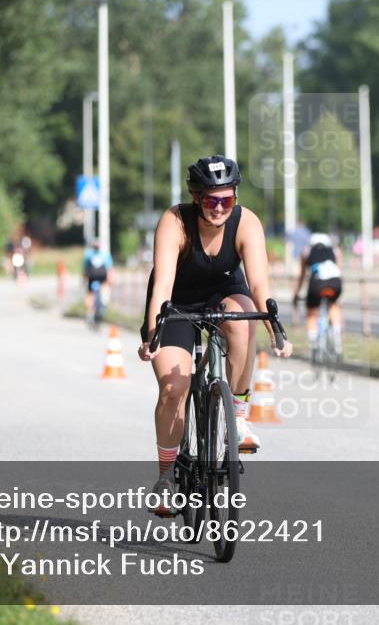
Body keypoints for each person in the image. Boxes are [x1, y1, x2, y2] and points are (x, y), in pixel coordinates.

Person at [137, 155, 292, 514]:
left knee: (242, 319)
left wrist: (275, 330)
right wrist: (153, 335)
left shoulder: (246, 222)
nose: (220, 207)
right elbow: (162, 284)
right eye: (211, 200)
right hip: (176, 302)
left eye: (228, 199)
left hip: (224, 293)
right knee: (174, 388)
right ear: (196, 197)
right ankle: (166, 478)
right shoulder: (175, 222)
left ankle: (237, 416)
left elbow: (259, 284)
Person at [292, 232, 344, 362]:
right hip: (335, 282)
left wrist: (296, 293)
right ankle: (338, 343)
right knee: (334, 306)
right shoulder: (336, 250)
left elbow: (302, 275)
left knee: (312, 313)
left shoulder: (306, 251)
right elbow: (339, 270)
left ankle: (313, 345)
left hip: (317, 282)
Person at [82, 240, 113, 322]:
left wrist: (84, 279)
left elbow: (85, 269)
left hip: (92, 277)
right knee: (104, 290)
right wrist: (110, 279)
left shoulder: (88, 255)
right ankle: (104, 306)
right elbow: (109, 268)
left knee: (90, 294)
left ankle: (89, 313)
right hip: (102, 277)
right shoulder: (105, 255)